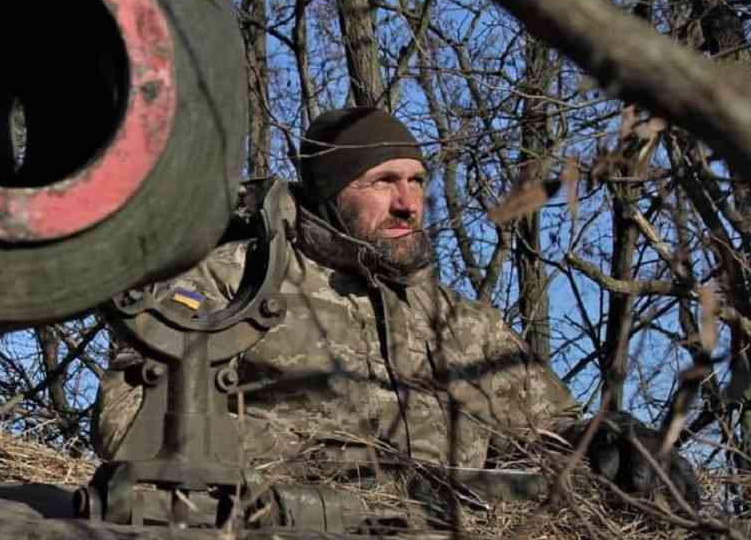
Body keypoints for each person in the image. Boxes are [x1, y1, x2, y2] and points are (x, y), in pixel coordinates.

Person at [92, 107, 699, 517]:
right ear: (328, 193)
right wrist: (333, 463)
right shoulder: (233, 281)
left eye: (417, 181)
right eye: (383, 181)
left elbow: (551, 433)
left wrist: (611, 444)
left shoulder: (465, 325)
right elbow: (129, 421)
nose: (408, 203)